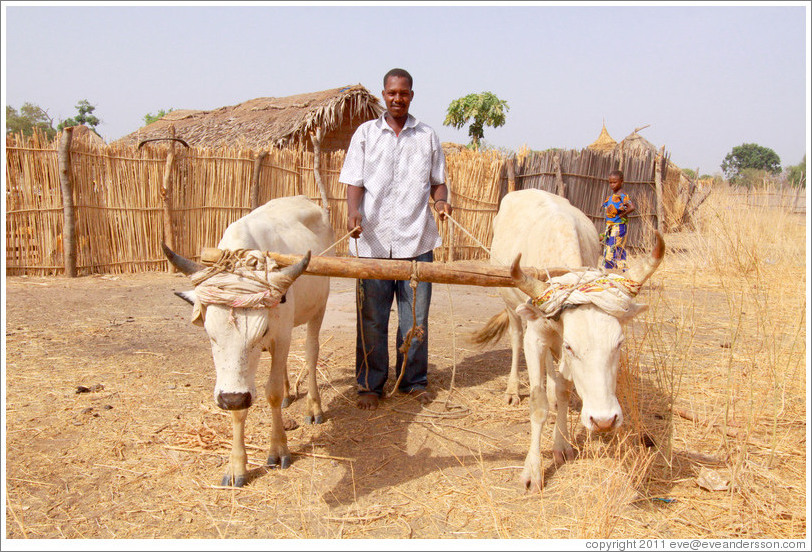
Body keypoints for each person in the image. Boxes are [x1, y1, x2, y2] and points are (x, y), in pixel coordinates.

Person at [338, 68, 452, 411]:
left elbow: (438, 181)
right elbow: (354, 180)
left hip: (416, 241)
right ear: (383, 94)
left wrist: (442, 201)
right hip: (371, 242)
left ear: (411, 96)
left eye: (403, 93)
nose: (397, 98)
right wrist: (353, 211)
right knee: (371, 318)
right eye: (391, 93)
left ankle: (412, 381)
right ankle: (370, 384)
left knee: (415, 318)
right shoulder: (365, 134)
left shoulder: (427, 136)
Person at [601, 169, 635, 271]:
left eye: (615, 182)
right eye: (610, 182)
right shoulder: (611, 197)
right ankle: (613, 274)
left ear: (621, 181)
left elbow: (632, 207)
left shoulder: (622, 196)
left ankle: (621, 273)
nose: (612, 185)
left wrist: (622, 215)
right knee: (610, 251)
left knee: (613, 250)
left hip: (619, 227)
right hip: (611, 227)